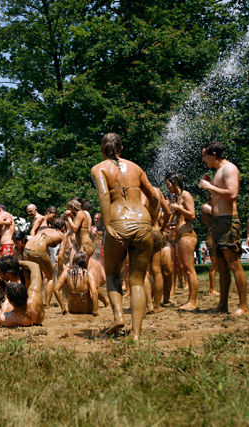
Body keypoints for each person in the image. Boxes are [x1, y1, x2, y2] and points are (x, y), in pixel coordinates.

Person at [91, 133, 156, 341]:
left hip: (118, 222)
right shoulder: (136, 168)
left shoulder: (99, 169)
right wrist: (152, 220)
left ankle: (119, 317)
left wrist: (107, 225)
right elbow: (154, 196)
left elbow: (104, 196)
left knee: (111, 275)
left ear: (103, 150)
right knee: (137, 281)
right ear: (122, 148)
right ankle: (136, 334)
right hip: (143, 223)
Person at [199, 141, 249, 315]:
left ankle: (244, 307)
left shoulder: (229, 169)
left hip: (229, 222)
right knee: (221, 267)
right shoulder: (218, 172)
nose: (203, 159)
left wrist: (210, 186)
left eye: (204, 155)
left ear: (213, 155)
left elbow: (233, 194)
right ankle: (222, 305)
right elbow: (218, 198)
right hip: (218, 223)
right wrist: (210, 188)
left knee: (234, 264)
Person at [166, 172, 200, 310]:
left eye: (168, 184)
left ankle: (192, 302)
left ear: (175, 183)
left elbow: (192, 215)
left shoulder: (186, 195)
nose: (167, 187)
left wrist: (178, 208)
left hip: (187, 235)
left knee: (189, 270)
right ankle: (189, 300)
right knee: (186, 269)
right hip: (181, 236)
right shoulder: (179, 197)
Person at [24, 218, 68, 306]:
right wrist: (60, 272)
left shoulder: (45, 229)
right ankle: (47, 304)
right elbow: (60, 256)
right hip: (38, 253)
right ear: (63, 228)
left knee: (32, 276)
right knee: (51, 277)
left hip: (26, 251)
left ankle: (28, 300)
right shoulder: (62, 235)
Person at [143, 185, 170, 313]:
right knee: (157, 270)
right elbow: (168, 212)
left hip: (145, 232)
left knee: (144, 271)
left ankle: (149, 305)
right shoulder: (158, 191)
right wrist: (163, 227)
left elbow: (143, 205)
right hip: (157, 231)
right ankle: (158, 305)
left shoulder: (142, 190)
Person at [200, 192, 220, 296]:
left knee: (219, 264)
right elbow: (217, 214)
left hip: (217, 234)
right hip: (212, 236)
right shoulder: (206, 207)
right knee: (215, 264)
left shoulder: (214, 205)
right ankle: (212, 289)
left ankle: (216, 288)